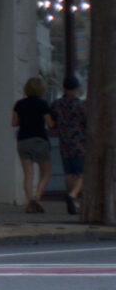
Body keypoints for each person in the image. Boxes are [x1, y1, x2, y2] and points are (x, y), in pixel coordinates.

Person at [13, 75, 55, 215]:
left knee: (28, 173)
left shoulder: (19, 104)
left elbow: (14, 122)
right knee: (46, 172)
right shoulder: (43, 104)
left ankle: (29, 200)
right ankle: (37, 197)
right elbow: (50, 124)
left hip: (23, 140)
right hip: (39, 140)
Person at [54, 75, 88, 216]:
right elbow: (86, 121)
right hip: (79, 142)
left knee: (69, 174)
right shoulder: (80, 104)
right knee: (82, 174)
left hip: (64, 142)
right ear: (76, 88)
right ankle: (73, 196)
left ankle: (72, 202)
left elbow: (52, 121)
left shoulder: (57, 104)